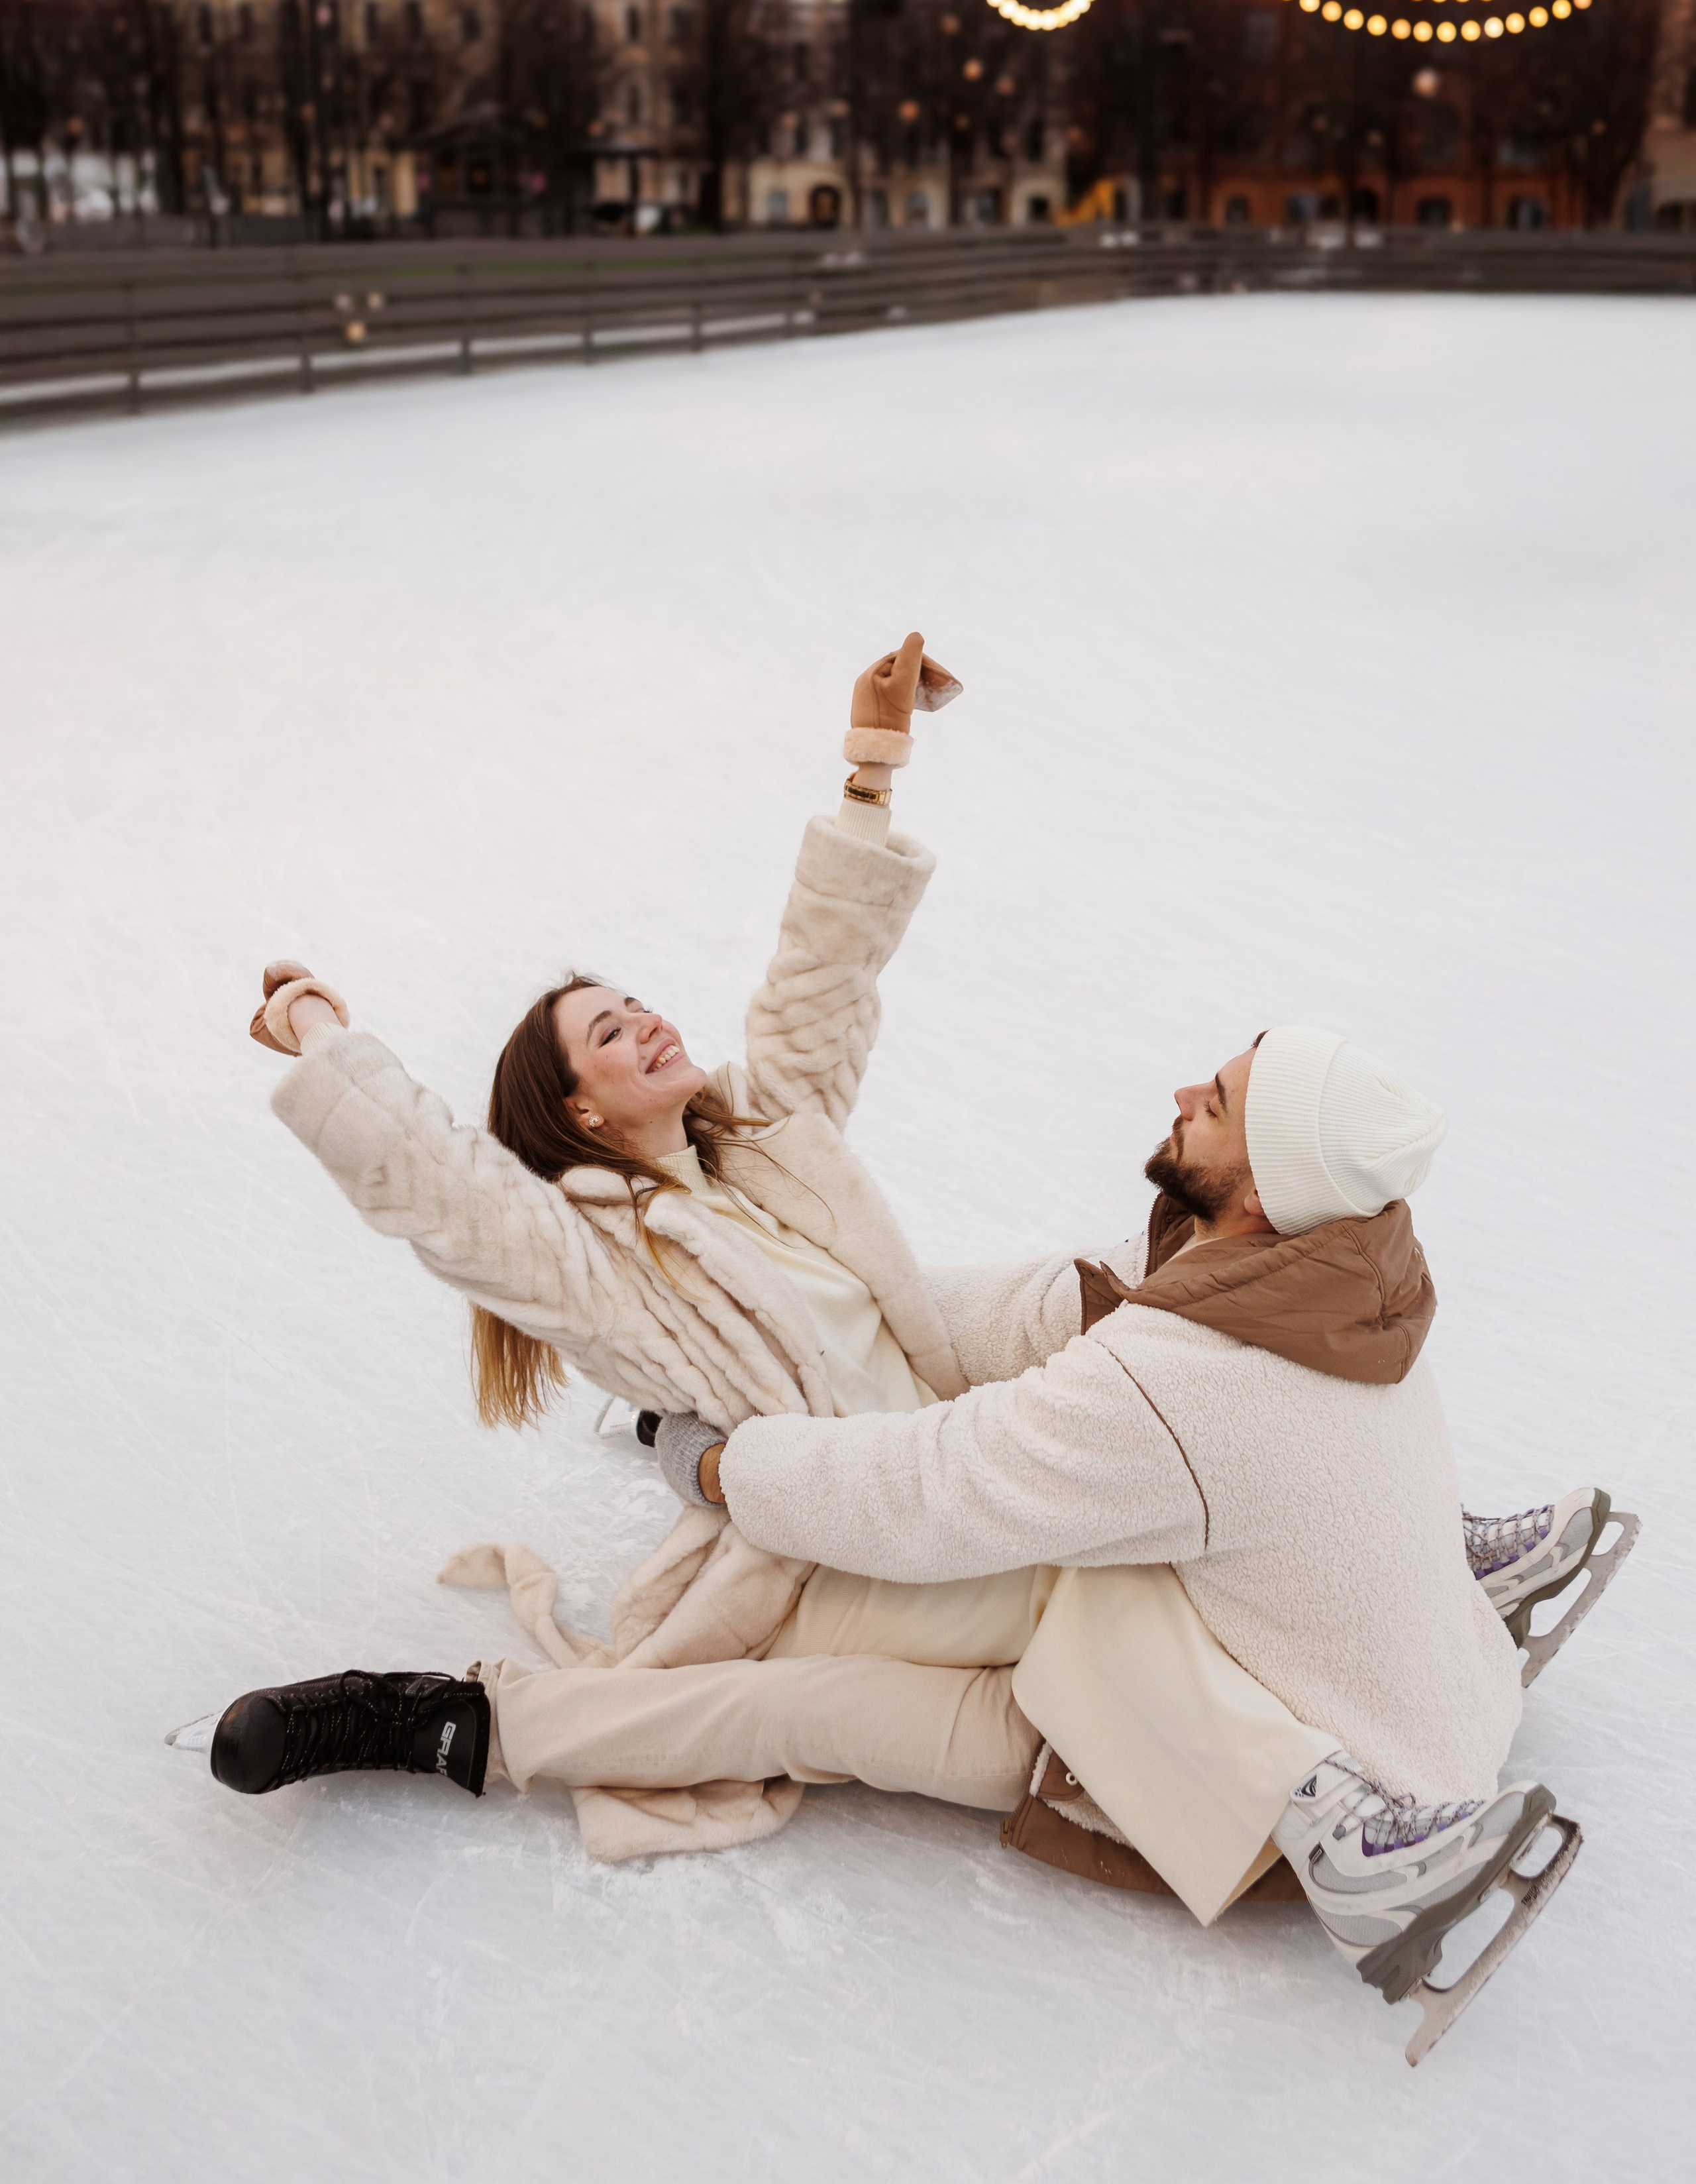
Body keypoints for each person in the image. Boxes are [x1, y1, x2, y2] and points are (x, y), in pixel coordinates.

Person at [176, 638, 1631, 2058]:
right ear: (577, 1114)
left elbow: (817, 989)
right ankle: (1344, 1816)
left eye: (633, 1003)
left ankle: (1411, 1568)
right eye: (610, 1037)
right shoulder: (593, 1259)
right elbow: (453, 1199)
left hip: (924, 1476)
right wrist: (324, 1045)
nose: (646, 1025)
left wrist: (871, 768)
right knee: (1111, 1564)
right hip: (856, 1538)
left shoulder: (759, 1142)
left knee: (1145, 1372)